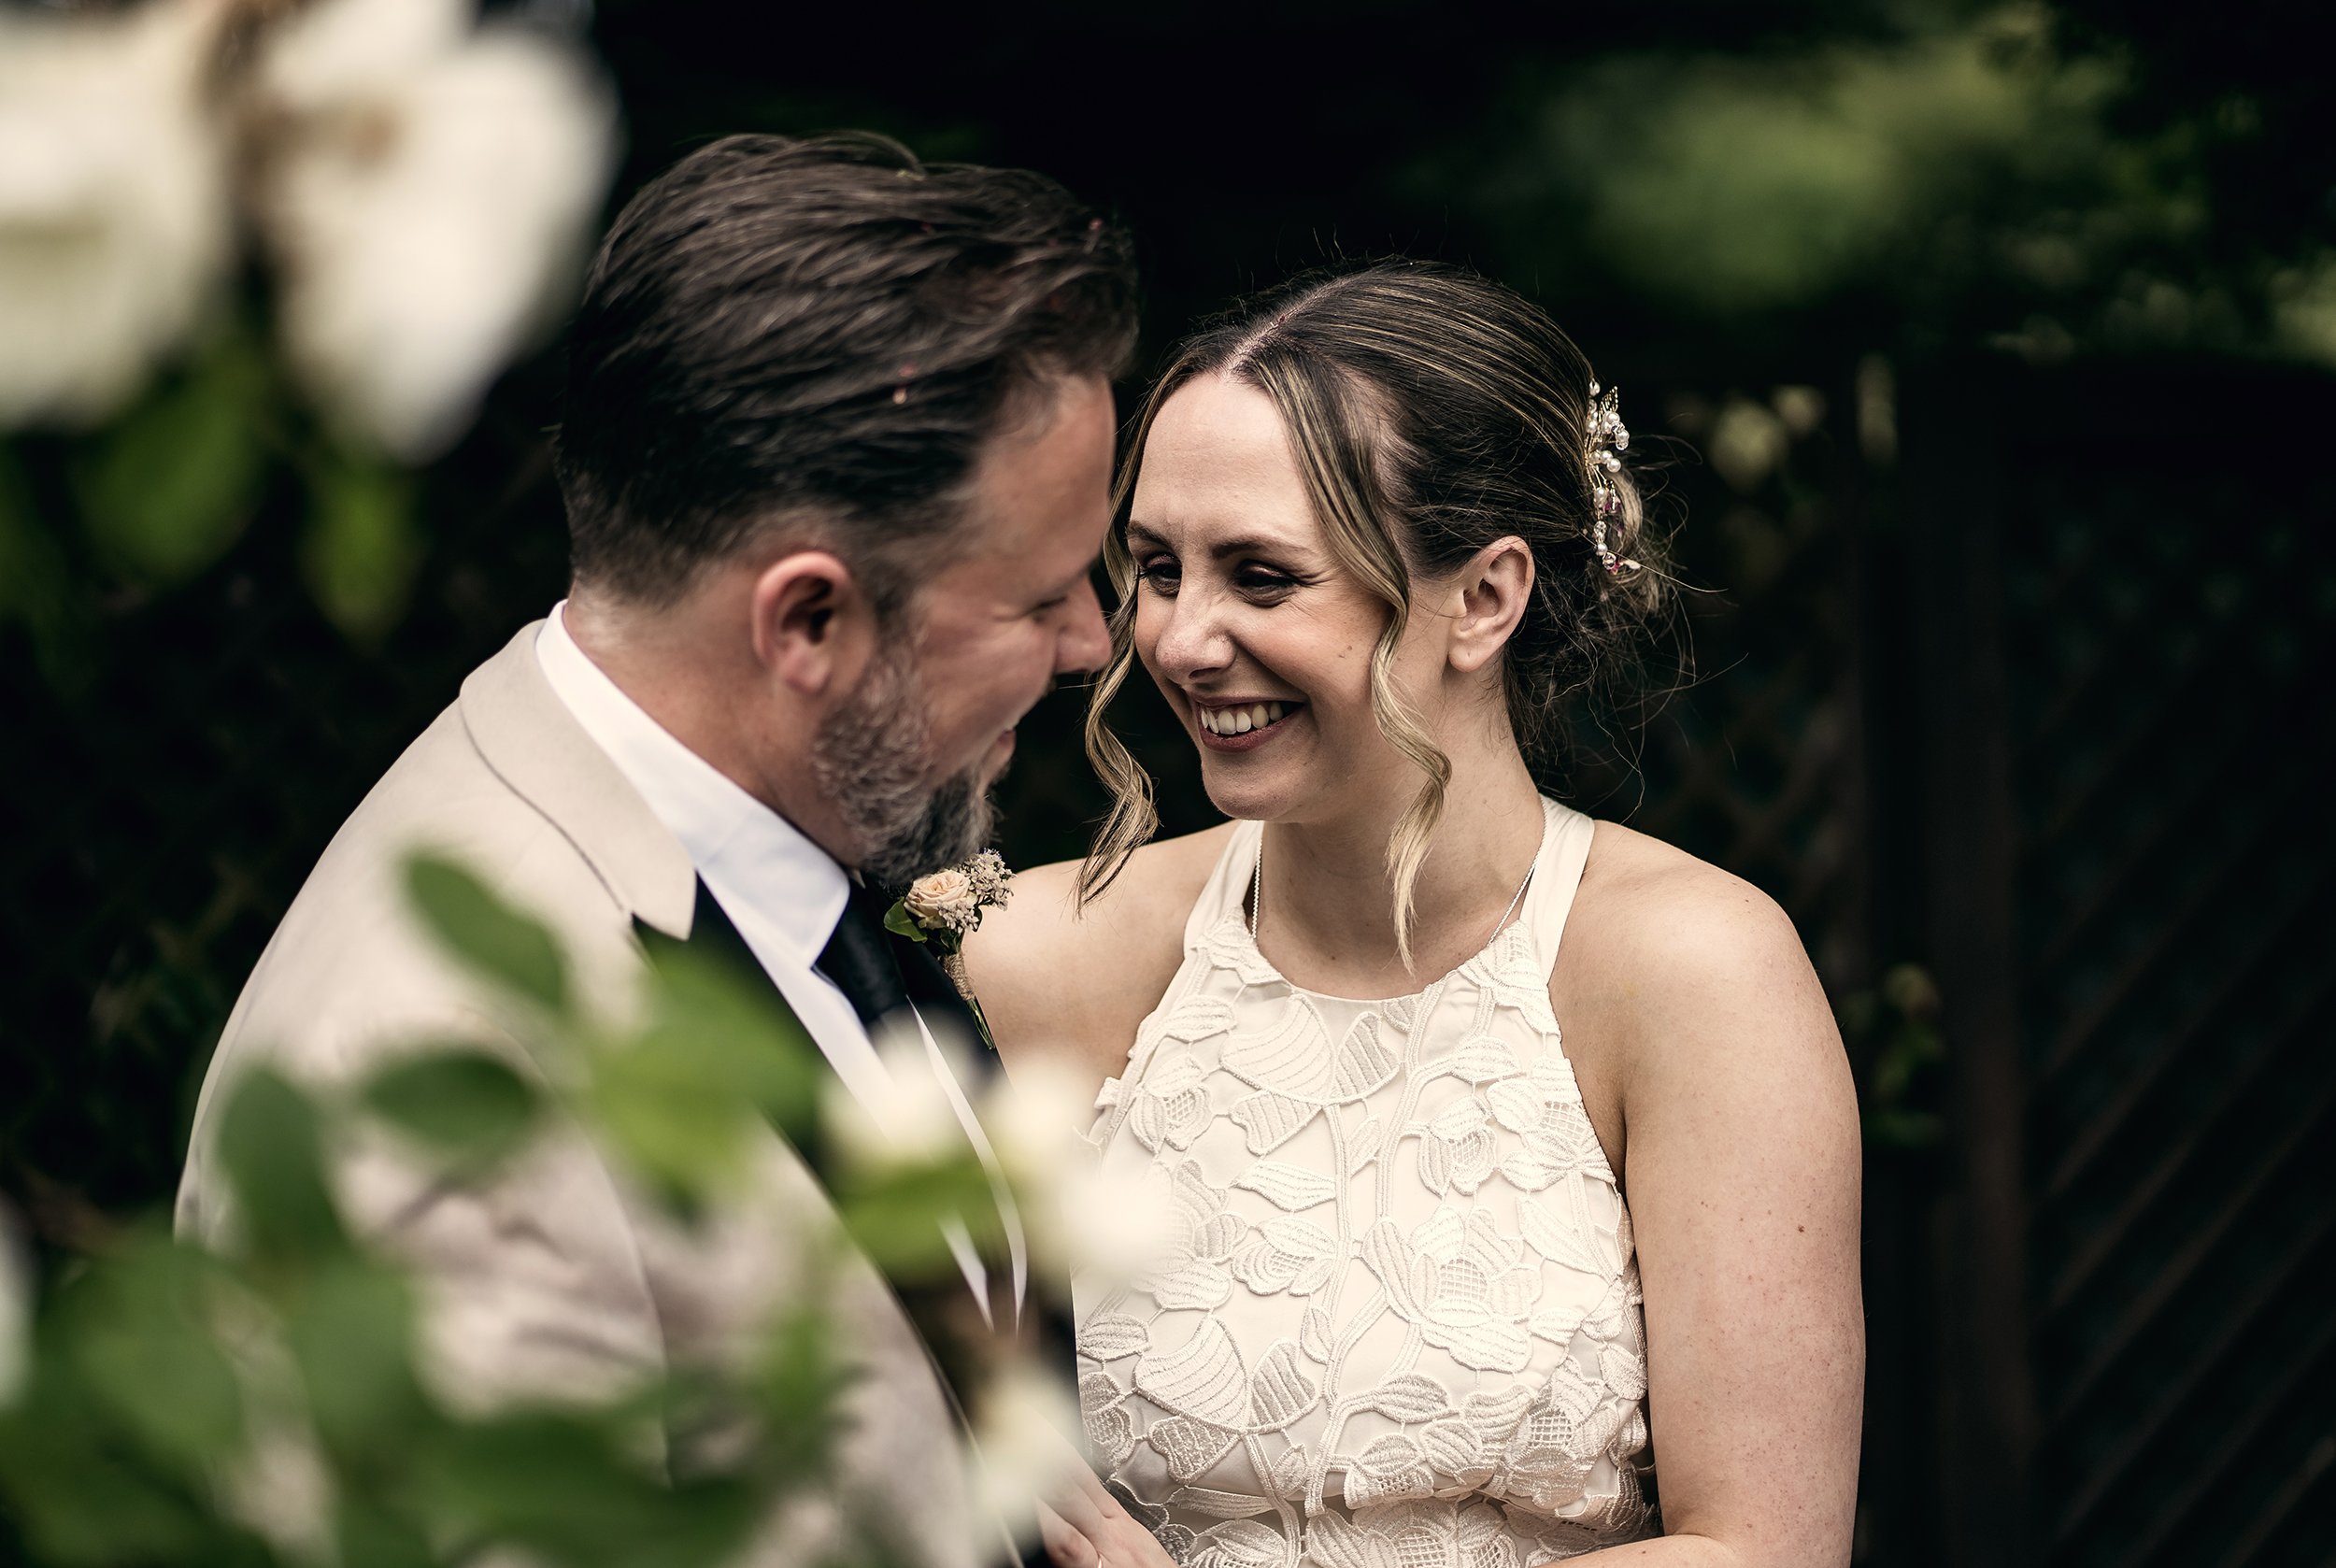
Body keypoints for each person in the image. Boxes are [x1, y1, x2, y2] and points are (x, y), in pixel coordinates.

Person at [177, 133, 1147, 1567]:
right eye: (1041, 596)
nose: (1094, 644)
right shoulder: (446, 1092)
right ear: (808, 624)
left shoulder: (804, 841)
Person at [967, 262, 1865, 1565]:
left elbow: (1765, 1546)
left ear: (1485, 597)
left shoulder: (1693, 973)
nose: (1179, 638)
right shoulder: (1038, 960)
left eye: (1263, 577)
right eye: (1160, 567)